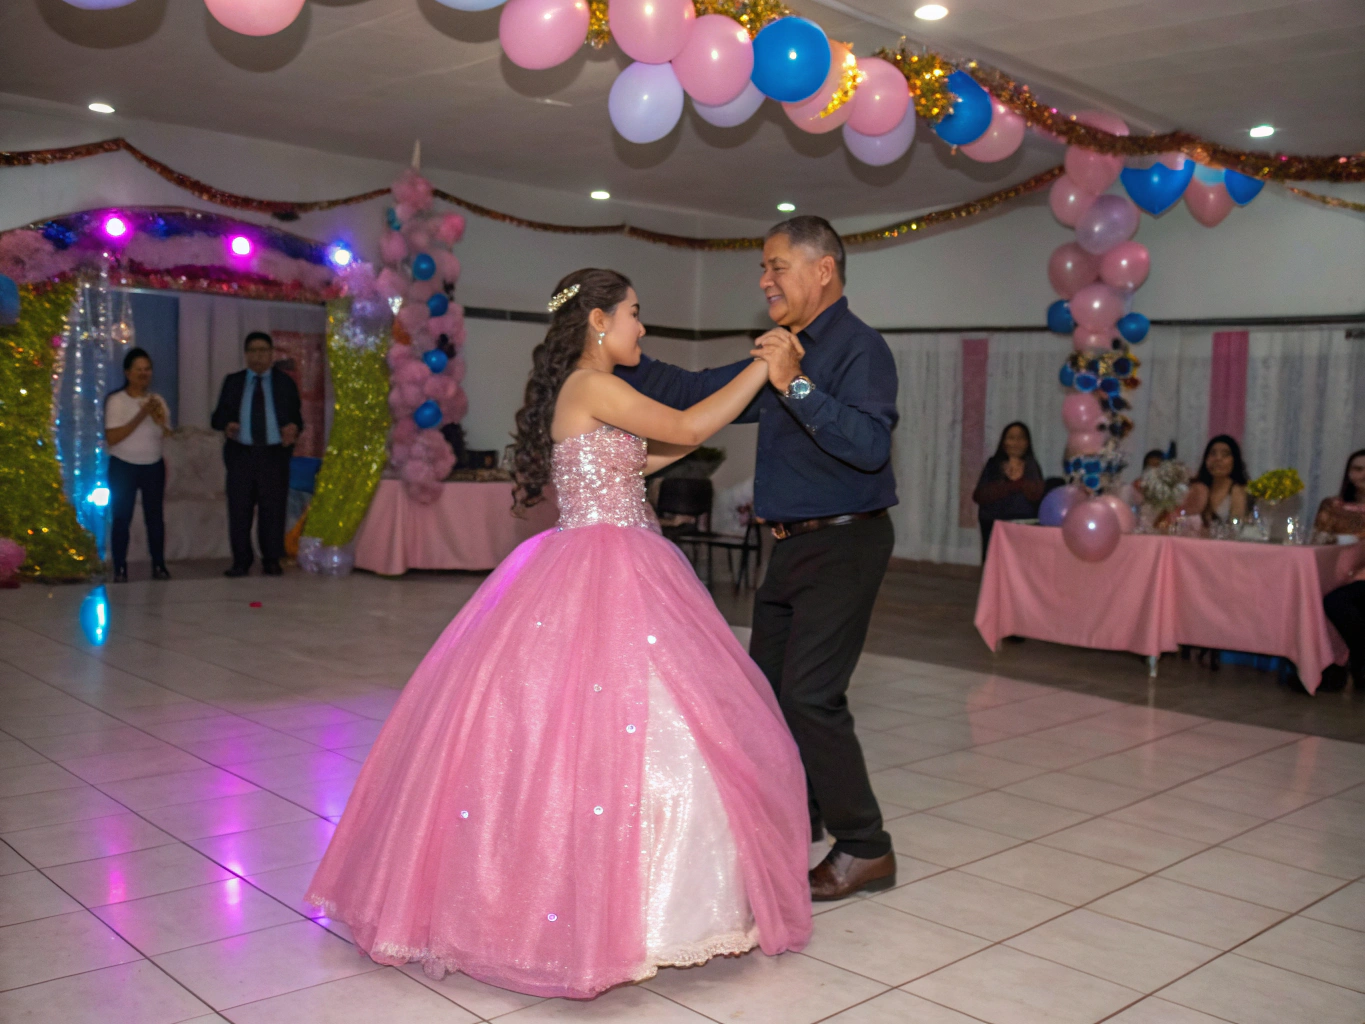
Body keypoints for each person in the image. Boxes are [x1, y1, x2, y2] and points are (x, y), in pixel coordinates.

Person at [307, 270, 812, 998]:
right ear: (600, 321)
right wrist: (765, 371)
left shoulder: (590, 391)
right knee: (601, 731)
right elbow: (691, 427)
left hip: (614, 556)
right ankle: (611, 914)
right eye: (637, 315)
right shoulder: (590, 385)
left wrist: (736, 394)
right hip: (604, 564)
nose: (643, 328)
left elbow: (647, 458)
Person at [616, 216, 900, 901]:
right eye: (763, 268)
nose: (764, 280)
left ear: (822, 270)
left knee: (810, 695)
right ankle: (793, 818)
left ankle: (866, 846)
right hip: (788, 546)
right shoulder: (782, 346)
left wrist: (795, 382)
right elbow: (692, 392)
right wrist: (610, 354)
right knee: (765, 696)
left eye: (776, 266)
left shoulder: (860, 349)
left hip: (843, 540)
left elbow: (867, 446)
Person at [210, 331, 302, 576]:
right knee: (239, 510)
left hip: (274, 455)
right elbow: (216, 418)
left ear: (271, 354)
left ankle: (271, 558)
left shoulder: (285, 383)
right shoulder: (234, 382)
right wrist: (228, 424)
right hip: (241, 455)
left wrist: (293, 429)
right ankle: (241, 560)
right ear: (246, 354)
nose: (258, 356)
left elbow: (297, 419)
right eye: (253, 351)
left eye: (263, 351)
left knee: (273, 510)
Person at [104, 347, 171, 583]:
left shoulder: (157, 400)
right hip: (124, 466)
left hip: (153, 465)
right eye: (139, 370)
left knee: (155, 517)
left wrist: (157, 418)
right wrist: (141, 415)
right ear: (128, 373)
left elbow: (167, 434)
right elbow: (112, 437)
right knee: (122, 517)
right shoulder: (116, 400)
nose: (144, 374)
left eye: (148, 369)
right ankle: (120, 567)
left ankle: (159, 564)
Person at [1317, 449, 1365, 692]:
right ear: (1348, 473)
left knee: (1337, 602)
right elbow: (1318, 538)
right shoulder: (1333, 505)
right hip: (1334, 573)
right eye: (1357, 469)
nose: (1363, 474)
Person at [972, 421, 1044, 562]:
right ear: (1004, 442)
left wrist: (1020, 482)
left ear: (1027, 443)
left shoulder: (1032, 465)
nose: (1016, 442)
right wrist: (1012, 486)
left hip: (1024, 524)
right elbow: (979, 495)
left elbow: (1037, 495)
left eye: (1021, 438)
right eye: (1011, 438)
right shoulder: (993, 464)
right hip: (995, 522)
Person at [1180, 434, 1249, 526]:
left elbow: (1237, 527)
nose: (1218, 459)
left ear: (1235, 461)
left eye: (1225, 455)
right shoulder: (1196, 487)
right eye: (1213, 454)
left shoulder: (1238, 490)